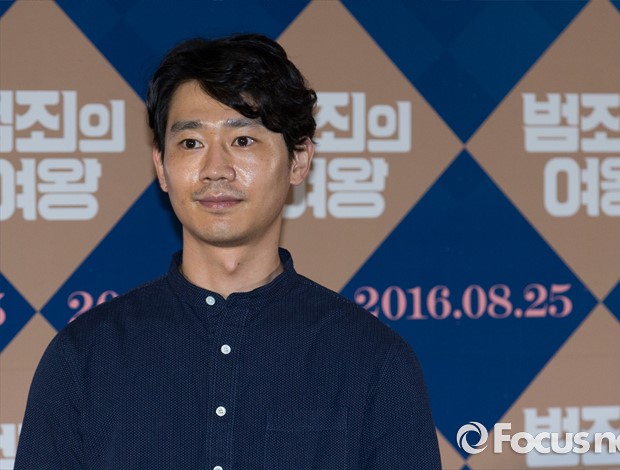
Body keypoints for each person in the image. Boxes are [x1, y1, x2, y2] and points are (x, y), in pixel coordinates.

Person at [15, 34, 441, 469]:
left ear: (298, 159)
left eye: (243, 141)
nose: (215, 170)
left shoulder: (372, 359)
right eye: (191, 143)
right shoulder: (84, 356)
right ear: (161, 166)